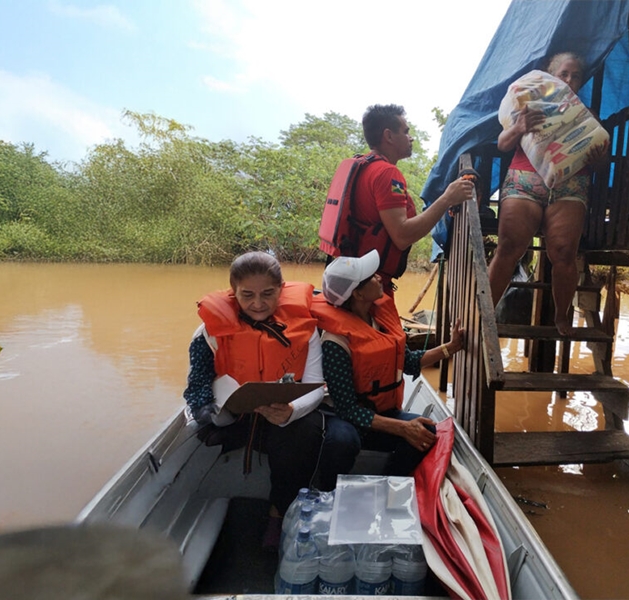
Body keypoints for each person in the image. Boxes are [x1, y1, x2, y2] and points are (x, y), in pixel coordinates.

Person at [183, 251, 347, 550]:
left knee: (304, 431)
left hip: (282, 417)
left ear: (281, 290)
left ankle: (279, 512)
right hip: (234, 420)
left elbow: (313, 384)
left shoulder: (304, 329)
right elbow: (196, 388)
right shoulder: (208, 332)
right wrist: (220, 412)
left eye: (268, 294)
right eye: (247, 295)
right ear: (233, 293)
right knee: (204, 428)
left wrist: (290, 411)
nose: (258, 303)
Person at [310, 250, 465, 479]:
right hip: (348, 421)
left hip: (383, 411)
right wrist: (402, 428)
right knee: (342, 441)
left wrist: (450, 348)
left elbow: (409, 363)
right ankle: (327, 489)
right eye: (371, 277)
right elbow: (347, 409)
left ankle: (390, 482)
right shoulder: (335, 342)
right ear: (358, 294)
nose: (379, 278)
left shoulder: (379, 320)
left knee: (426, 431)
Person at [487, 52, 603, 336]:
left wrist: (599, 159)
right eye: (564, 74)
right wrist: (519, 127)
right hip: (525, 181)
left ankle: (561, 316)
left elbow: (599, 157)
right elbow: (502, 144)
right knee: (509, 246)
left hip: (569, 187)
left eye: (575, 76)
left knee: (564, 253)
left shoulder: (585, 116)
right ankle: (485, 311)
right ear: (551, 77)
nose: (569, 80)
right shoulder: (529, 104)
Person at [350, 104, 475, 295]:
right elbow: (402, 236)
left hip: (352, 280)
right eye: (406, 132)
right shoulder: (386, 173)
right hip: (369, 288)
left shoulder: (362, 165)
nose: (411, 137)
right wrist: (447, 198)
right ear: (389, 136)